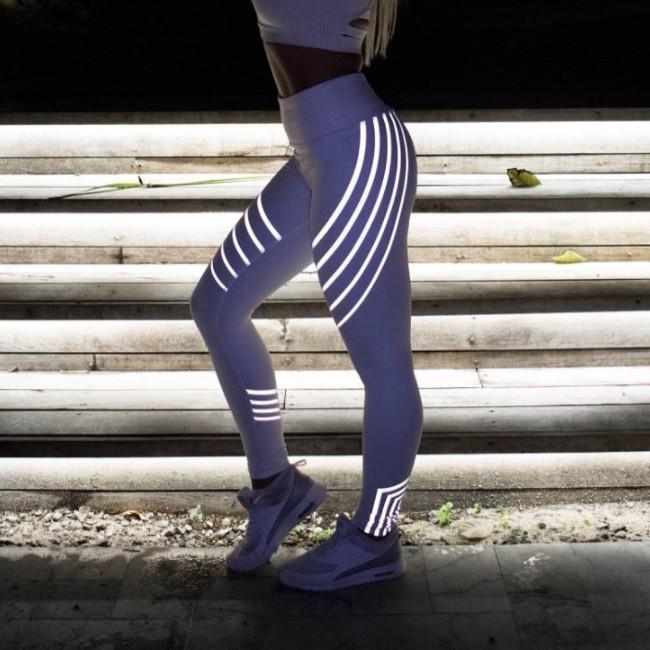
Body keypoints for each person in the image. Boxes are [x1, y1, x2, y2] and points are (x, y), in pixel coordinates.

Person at [190, 0, 422, 592]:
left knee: (384, 365)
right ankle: (276, 485)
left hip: (359, 154)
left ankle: (375, 537)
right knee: (216, 304)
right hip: (320, 149)